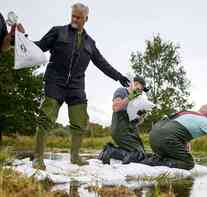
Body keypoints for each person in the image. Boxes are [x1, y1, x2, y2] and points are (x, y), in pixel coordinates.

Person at [22, 3, 130, 170]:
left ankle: (75, 157)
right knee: (45, 119)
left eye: (78, 17)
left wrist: (119, 77)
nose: (74, 19)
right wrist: (22, 40)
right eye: (73, 16)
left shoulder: (90, 43)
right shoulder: (58, 31)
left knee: (80, 122)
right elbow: (39, 46)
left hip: (76, 85)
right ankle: (38, 158)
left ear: (86, 19)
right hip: (55, 81)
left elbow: (102, 63)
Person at [141, 104, 207, 170]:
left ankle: (143, 157)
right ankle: (152, 162)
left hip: (153, 135)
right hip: (167, 138)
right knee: (188, 163)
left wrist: (185, 146)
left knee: (172, 156)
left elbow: (177, 128)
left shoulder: (186, 113)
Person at [98, 76, 150, 164]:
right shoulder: (121, 91)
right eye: (140, 89)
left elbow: (137, 122)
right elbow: (116, 107)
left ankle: (113, 151)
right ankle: (110, 151)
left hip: (131, 131)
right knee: (138, 155)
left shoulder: (137, 100)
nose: (141, 92)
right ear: (135, 84)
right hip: (121, 130)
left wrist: (142, 114)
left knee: (142, 154)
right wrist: (131, 96)